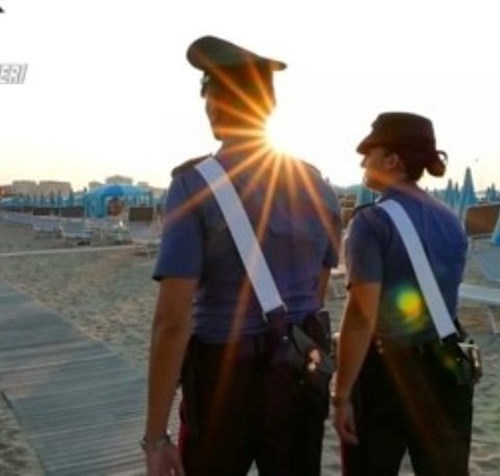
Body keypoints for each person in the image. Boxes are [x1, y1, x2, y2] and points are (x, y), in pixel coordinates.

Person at [142, 36, 342, 476]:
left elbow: (172, 321)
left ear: (214, 104)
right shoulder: (317, 185)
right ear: (268, 107)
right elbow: (317, 289)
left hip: (222, 377)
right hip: (299, 368)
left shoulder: (194, 185)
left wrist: (156, 437)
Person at [332, 112, 473, 475]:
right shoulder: (450, 220)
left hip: (387, 373)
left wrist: (342, 392)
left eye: (369, 152)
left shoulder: (370, 222)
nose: (363, 161)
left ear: (393, 160)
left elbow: (363, 316)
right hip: (447, 365)